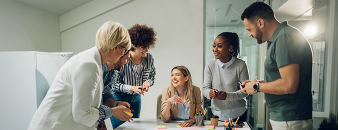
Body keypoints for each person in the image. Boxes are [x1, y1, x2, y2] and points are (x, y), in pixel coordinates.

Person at [28, 21, 133, 130]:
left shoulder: (95, 63)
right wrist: (112, 112)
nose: (123, 54)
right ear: (116, 47)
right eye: (124, 50)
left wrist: (114, 109)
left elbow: (87, 105)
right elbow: (82, 114)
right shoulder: (88, 65)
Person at [240, 2, 313, 130]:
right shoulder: (278, 39)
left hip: (290, 120)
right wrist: (255, 84)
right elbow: (282, 79)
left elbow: (289, 85)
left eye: (249, 29)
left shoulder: (284, 37)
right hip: (286, 118)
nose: (249, 34)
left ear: (261, 23)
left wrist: (257, 86)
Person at [110, 24, 157, 128]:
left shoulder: (149, 58)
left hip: (136, 99)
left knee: (134, 128)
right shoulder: (122, 59)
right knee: (121, 128)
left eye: (148, 46)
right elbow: (113, 85)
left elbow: (152, 76)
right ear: (133, 45)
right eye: (143, 47)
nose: (147, 50)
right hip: (119, 98)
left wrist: (147, 82)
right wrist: (132, 88)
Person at [202, 32, 249, 123]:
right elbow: (205, 88)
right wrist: (210, 93)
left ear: (230, 48)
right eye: (214, 46)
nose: (215, 49)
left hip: (238, 113)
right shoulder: (210, 65)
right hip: (216, 114)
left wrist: (226, 96)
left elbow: (246, 91)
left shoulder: (240, 65)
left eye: (219, 46)